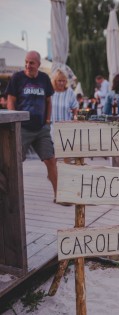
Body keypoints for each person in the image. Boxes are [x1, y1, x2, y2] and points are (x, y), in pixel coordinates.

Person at [5, 50, 59, 204]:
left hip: (41, 129)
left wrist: (48, 120)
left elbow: (48, 101)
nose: (28, 65)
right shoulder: (17, 78)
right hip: (22, 128)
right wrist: (13, 121)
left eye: (32, 63)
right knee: (14, 162)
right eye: (26, 62)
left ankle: (59, 195)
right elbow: (11, 100)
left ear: (39, 64)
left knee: (51, 160)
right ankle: (10, 198)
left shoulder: (44, 78)